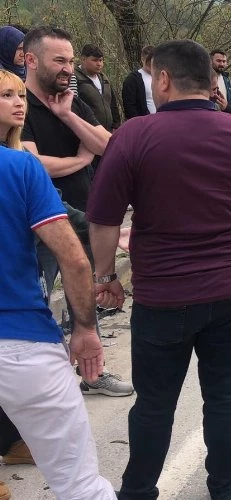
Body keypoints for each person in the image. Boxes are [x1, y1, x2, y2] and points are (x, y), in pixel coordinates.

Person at [87, 39, 231, 500]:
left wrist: (106, 276)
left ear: (162, 79)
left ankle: (138, 491)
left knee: (155, 403)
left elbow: (103, 219)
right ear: (212, 81)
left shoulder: (134, 135)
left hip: (165, 297)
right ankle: (224, 485)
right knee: (225, 395)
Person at [0, 67, 117, 500]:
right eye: (5, 95)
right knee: (79, 484)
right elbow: (73, 259)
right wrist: (85, 329)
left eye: (19, 94)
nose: (18, 103)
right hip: (21, 340)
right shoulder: (21, 168)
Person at [21, 26, 133, 396]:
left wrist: (68, 116)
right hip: (40, 226)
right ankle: (37, 386)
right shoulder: (17, 102)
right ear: (32, 60)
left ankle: (93, 375)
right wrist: (79, 160)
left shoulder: (70, 100)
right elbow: (31, 166)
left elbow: (109, 146)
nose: (68, 68)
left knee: (83, 301)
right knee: (36, 304)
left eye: (70, 61)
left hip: (83, 217)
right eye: (59, 60)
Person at [74, 43, 120, 132]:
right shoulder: (74, 78)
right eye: (95, 60)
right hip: (87, 131)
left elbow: (112, 103)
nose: (99, 64)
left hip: (108, 131)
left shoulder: (104, 78)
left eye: (101, 60)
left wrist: (116, 125)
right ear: (83, 59)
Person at [122, 45, 156, 119]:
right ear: (142, 59)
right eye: (148, 61)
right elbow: (129, 106)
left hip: (161, 120)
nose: (151, 64)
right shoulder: (132, 79)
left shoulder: (162, 77)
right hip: (144, 121)